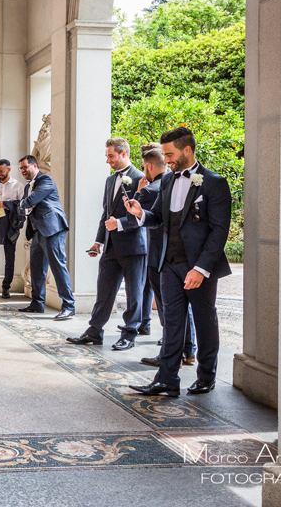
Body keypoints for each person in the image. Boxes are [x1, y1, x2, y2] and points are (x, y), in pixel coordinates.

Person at [124, 127, 231, 397]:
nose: (167, 160)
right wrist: (141, 214)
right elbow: (159, 217)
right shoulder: (169, 180)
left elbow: (219, 231)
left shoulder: (213, 182)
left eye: (170, 154)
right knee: (171, 322)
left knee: (205, 321)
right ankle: (167, 380)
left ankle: (206, 376)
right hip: (168, 263)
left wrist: (201, 268)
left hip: (198, 267)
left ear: (187, 150)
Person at [66, 138, 145, 349]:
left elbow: (142, 216)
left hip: (133, 246)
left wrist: (118, 224)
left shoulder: (141, 179)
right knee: (104, 291)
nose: (108, 161)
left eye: (111, 156)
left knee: (133, 294)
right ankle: (94, 331)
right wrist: (98, 241)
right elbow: (106, 213)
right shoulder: (110, 181)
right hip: (110, 246)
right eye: (107, 156)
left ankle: (129, 334)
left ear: (124, 154)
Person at [136, 143, 197, 368]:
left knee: (168, 310)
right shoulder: (168, 184)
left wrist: (138, 193)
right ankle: (189, 351)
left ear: (149, 166)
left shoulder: (151, 189)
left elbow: (136, 216)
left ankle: (172, 354)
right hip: (174, 256)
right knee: (182, 308)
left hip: (159, 257)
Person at [16, 155, 76, 320]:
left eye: (25, 167)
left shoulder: (45, 180)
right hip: (37, 232)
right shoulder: (28, 187)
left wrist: (24, 204)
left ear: (34, 166)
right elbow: (24, 206)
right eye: (20, 168)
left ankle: (69, 306)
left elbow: (30, 201)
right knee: (36, 268)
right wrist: (25, 204)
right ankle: (37, 303)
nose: (22, 171)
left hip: (52, 229)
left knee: (57, 266)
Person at [0, 159, 25, 299]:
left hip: (10, 226)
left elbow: (23, 206)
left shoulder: (18, 186)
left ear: (9, 170)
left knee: (10, 258)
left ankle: (6, 288)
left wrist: (7, 204)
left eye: (1, 171)